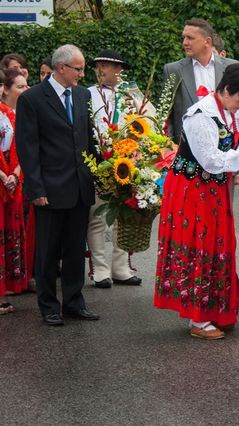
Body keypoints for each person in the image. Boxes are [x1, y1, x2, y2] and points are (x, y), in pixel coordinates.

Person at [154, 63, 239, 339]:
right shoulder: (201, 115)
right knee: (200, 246)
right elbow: (211, 160)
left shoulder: (228, 111)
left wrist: (237, 164)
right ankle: (198, 320)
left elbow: (226, 151)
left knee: (218, 244)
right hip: (192, 190)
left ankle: (215, 310)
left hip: (212, 189)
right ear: (226, 90)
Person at [15, 44, 100, 326]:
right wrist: (36, 189)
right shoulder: (33, 99)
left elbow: (87, 140)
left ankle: (74, 302)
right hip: (49, 189)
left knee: (76, 249)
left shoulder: (82, 94)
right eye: (78, 68)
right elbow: (28, 148)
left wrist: (100, 175)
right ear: (61, 68)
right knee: (48, 251)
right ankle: (49, 305)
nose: (82, 73)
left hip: (79, 187)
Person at [87, 49, 142, 289]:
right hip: (98, 161)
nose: (113, 71)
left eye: (116, 67)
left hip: (128, 160)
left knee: (124, 215)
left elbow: (145, 123)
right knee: (98, 216)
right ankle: (100, 270)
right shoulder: (86, 94)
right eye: (107, 66)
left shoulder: (131, 94)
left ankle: (120, 267)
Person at [163, 18, 239, 146]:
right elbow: (167, 116)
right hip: (187, 151)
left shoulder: (231, 66)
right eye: (184, 37)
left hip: (227, 151)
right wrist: (170, 146)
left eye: (190, 38)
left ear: (207, 41)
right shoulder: (173, 70)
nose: (185, 42)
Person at [0, 69, 28, 314]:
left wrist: (16, 172)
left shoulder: (14, 116)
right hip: (2, 176)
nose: (25, 90)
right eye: (19, 86)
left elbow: (22, 147)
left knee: (10, 232)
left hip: (13, 177)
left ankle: (7, 285)